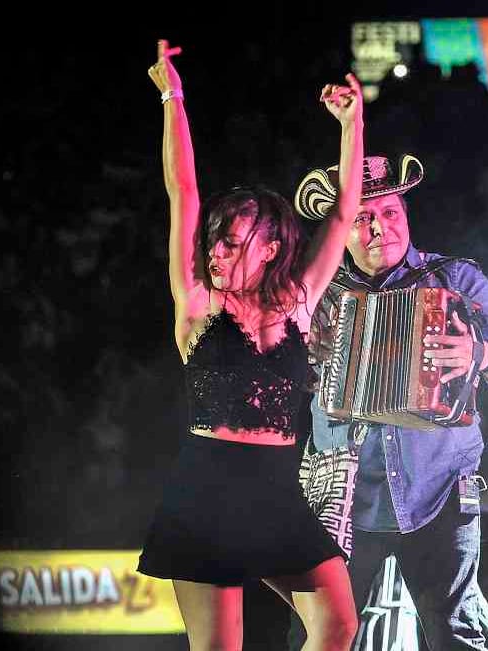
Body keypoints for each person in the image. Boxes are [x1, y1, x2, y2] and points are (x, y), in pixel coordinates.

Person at [137, 39, 364, 651]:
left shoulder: (297, 303)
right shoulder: (197, 302)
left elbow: (343, 216)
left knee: (340, 624)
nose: (215, 251)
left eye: (233, 242)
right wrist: (172, 96)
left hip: (275, 487)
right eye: (215, 240)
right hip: (208, 488)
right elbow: (182, 189)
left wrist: (352, 124)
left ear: (270, 249)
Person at [292, 150, 488, 649]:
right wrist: (300, 358)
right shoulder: (316, 293)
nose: (380, 228)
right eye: (362, 218)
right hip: (344, 496)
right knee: (319, 636)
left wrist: (478, 354)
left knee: (455, 631)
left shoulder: (456, 280)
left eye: (390, 213)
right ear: (341, 228)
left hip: (441, 489)